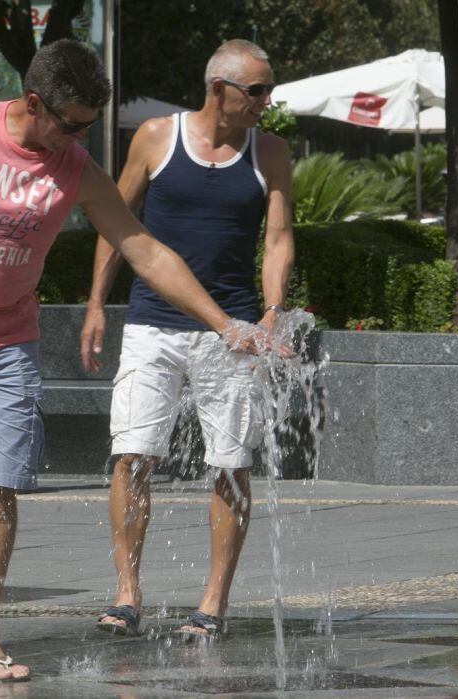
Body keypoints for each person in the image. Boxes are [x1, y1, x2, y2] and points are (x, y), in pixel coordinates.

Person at [0, 39, 272, 684]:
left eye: (87, 127)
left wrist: (224, 323)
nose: (75, 138)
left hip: (9, 343)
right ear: (32, 102)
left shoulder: (77, 168)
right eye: (67, 124)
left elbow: (146, 250)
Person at [80, 39, 294, 641]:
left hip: (235, 333)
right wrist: (97, 303)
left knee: (230, 464)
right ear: (219, 89)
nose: (265, 101)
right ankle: (127, 594)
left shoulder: (270, 150)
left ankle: (213, 603)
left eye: (267, 89)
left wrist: (272, 312)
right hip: (152, 324)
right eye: (256, 91)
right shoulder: (154, 137)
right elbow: (115, 224)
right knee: (133, 455)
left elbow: (277, 238)